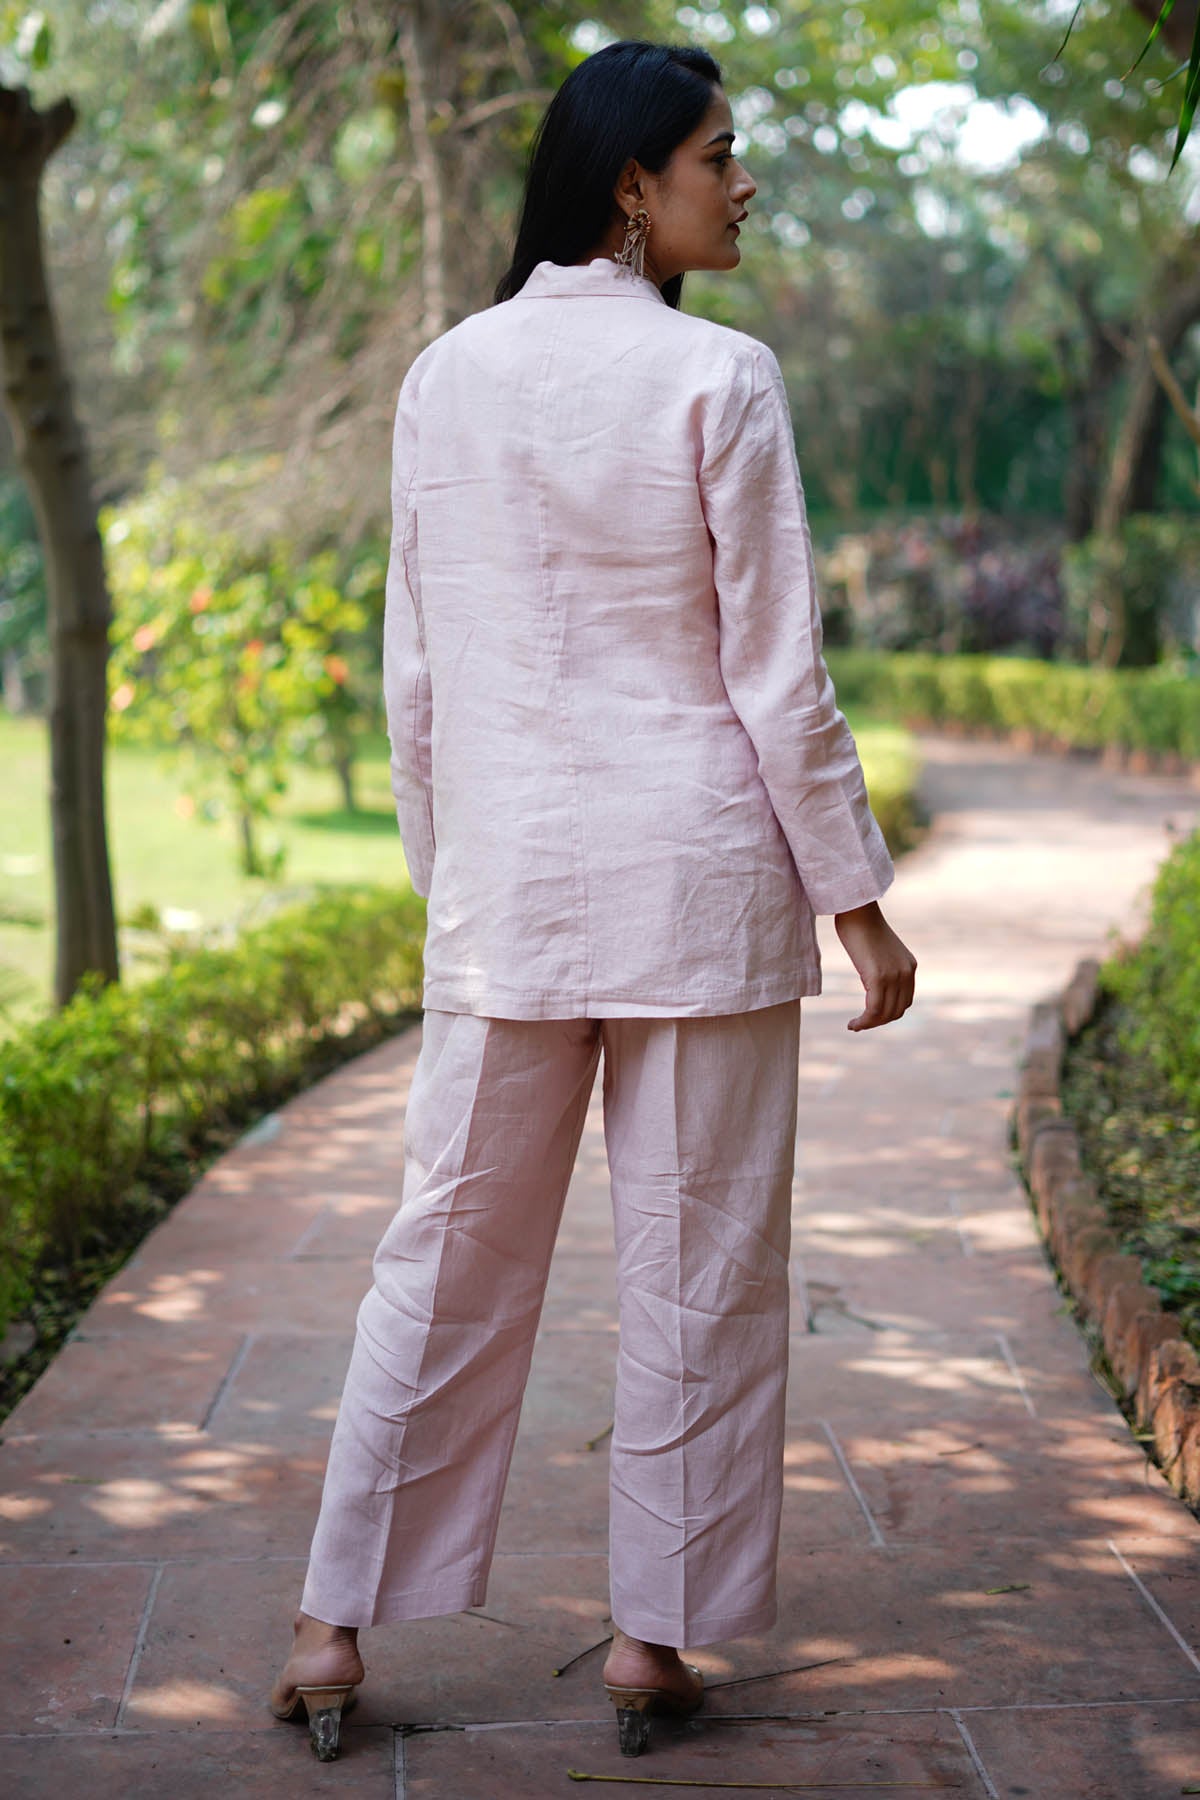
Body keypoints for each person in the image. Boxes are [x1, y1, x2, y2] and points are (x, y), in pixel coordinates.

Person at [269, 37, 917, 1763]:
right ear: (633, 184)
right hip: (699, 888)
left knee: (443, 1257)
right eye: (720, 152)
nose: (743, 177)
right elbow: (778, 674)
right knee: (700, 1269)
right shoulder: (724, 378)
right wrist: (856, 902)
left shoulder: (445, 376)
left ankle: (331, 1629)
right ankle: (651, 1642)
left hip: (513, 899)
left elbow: (417, 678)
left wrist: (452, 879)